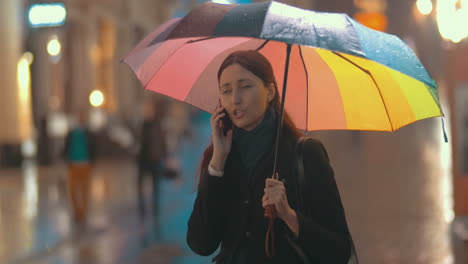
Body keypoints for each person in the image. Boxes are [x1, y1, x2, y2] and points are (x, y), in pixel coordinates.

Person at [186, 50, 356, 263]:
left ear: (270, 92)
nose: (235, 99)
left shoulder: (305, 153)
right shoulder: (220, 158)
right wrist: (217, 164)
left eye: (245, 86)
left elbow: (339, 249)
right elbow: (200, 243)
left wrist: (289, 216)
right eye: (226, 90)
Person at [63, 110, 96, 225]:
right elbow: (66, 146)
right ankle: (77, 211)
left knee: (84, 190)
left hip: (85, 164)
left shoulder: (89, 133)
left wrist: (92, 161)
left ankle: (83, 212)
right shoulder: (72, 132)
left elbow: (94, 147)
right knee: (72, 189)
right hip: (73, 164)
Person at [136, 100, 168, 220]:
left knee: (155, 186)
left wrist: (165, 157)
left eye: (150, 109)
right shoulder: (142, 124)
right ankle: (142, 209)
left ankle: (155, 209)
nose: (148, 111)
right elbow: (138, 141)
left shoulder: (157, 124)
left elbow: (162, 142)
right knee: (140, 186)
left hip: (154, 160)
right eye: (146, 109)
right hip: (142, 160)